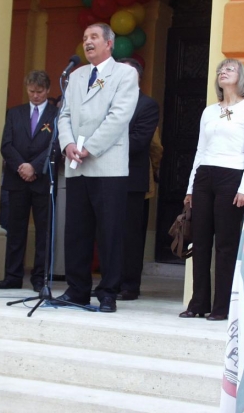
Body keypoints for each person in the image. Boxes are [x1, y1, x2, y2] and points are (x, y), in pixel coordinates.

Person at [56, 23, 139, 313]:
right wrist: (67, 144)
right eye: (84, 38)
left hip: (107, 165)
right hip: (76, 164)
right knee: (76, 231)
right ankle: (77, 290)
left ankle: (108, 293)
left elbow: (119, 116)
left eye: (93, 37)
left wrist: (89, 147)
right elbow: (64, 114)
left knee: (109, 232)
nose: (87, 42)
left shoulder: (125, 74)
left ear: (109, 43)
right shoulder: (76, 75)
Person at [180, 59, 244, 320]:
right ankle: (198, 303)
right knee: (200, 241)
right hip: (205, 175)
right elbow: (200, 151)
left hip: (232, 176)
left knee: (226, 244)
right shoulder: (209, 111)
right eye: (220, 70)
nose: (222, 72)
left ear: (242, 77)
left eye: (229, 69)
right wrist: (191, 187)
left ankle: (222, 307)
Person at [0, 70, 59, 292]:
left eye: (39, 91)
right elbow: (6, 145)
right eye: (31, 91)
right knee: (15, 229)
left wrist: (34, 167)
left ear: (48, 90)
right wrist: (22, 166)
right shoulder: (15, 113)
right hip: (17, 179)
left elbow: (56, 145)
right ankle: (12, 276)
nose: (35, 95)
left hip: (42, 180)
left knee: (43, 231)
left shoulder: (56, 114)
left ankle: (40, 278)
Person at [115, 57, 160, 301]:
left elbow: (140, 141)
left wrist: (103, 145)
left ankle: (129, 285)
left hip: (132, 179)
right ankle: (110, 283)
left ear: (138, 78)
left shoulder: (147, 105)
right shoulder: (108, 101)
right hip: (105, 176)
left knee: (130, 235)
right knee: (108, 232)